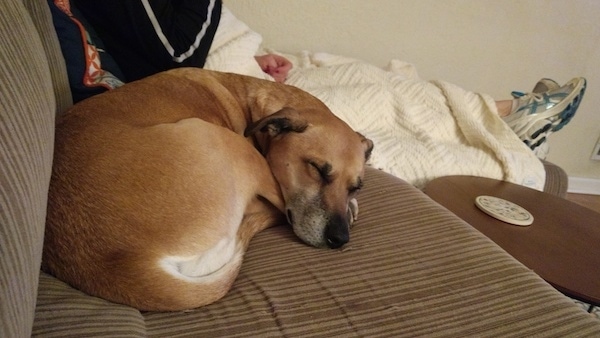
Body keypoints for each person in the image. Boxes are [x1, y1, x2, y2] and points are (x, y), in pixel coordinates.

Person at [53, 0, 585, 158]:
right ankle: (504, 119)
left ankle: (499, 113)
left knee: (357, 71)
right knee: (370, 101)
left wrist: (258, 60)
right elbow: (176, 48)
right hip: (212, 76)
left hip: (235, 63)